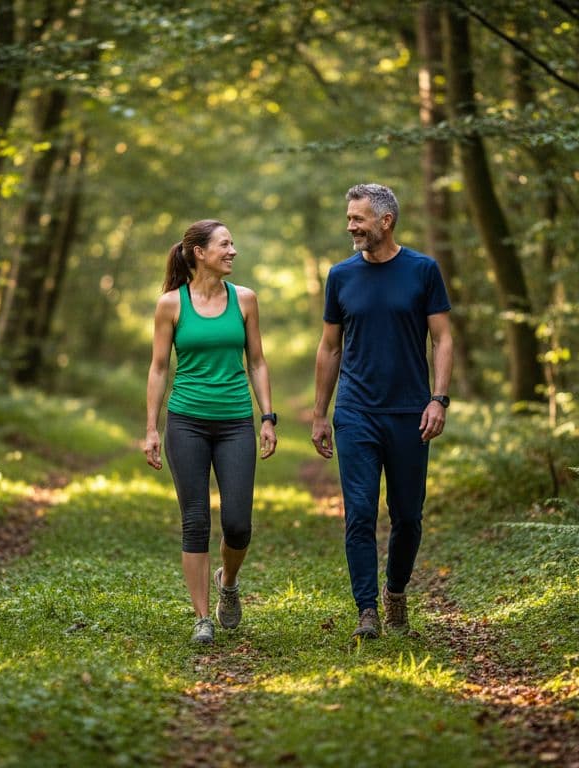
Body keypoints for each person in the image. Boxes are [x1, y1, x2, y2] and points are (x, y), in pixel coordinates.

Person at [311, 183, 454, 639]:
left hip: (411, 412)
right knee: (359, 512)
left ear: (385, 221)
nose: (350, 225)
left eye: (358, 219)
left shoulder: (423, 271)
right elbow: (330, 347)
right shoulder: (341, 276)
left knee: (408, 515)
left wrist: (439, 398)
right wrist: (319, 414)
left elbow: (443, 339)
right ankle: (366, 610)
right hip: (356, 411)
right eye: (349, 217)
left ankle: (395, 591)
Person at [145, 219, 277, 645]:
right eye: (224, 244)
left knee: (238, 524)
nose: (232, 251)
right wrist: (151, 428)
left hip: (236, 421)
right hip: (186, 422)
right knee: (196, 520)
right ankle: (201, 617)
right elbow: (159, 368)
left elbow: (256, 361)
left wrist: (268, 417)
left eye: (233, 243)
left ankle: (229, 582)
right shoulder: (170, 304)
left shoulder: (246, 300)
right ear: (199, 252)